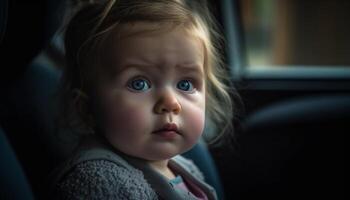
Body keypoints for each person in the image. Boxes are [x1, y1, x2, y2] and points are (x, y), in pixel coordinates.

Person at [51, 0, 234, 199]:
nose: (171, 103)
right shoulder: (99, 184)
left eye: (185, 85)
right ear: (86, 108)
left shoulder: (183, 167)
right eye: (139, 84)